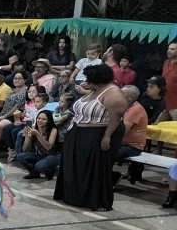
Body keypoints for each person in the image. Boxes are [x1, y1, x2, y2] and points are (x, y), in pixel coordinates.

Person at [54, 64, 129, 211]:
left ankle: (93, 200)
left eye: (89, 79)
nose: (86, 81)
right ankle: (73, 196)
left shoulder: (114, 94)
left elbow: (116, 117)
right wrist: (84, 91)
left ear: (97, 79)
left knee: (93, 168)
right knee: (74, 166)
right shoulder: (93, 90)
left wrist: (107, 136)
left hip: (97, 133)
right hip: (78, 131)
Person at [114, 87, 151, 186]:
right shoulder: (125, 107)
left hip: (133, 146)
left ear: (130, 97)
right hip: (122, 143)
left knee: (109, 154)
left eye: (122, 93)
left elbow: (122, 131)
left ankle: (112, 177)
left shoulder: (136, 110)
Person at [18, 109, 60, 180]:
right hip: (38, 154)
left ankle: (50, 171)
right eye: (39, 118)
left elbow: (48, 147)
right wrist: (27, 137)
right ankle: (34, 172)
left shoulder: (53, 130)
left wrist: (37, 134)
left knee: (39, 166)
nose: (40, 121)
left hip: (51, 155)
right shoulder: (34, 129)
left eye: (44, 119)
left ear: (49, 121)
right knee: (20, 156)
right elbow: (24, 149)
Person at [160, 42, 177, 123]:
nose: (169, 51)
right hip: (165, 103)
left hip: (175, 105)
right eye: (168, 49)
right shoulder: (166, 62)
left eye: (172, 49)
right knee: (157, 126)